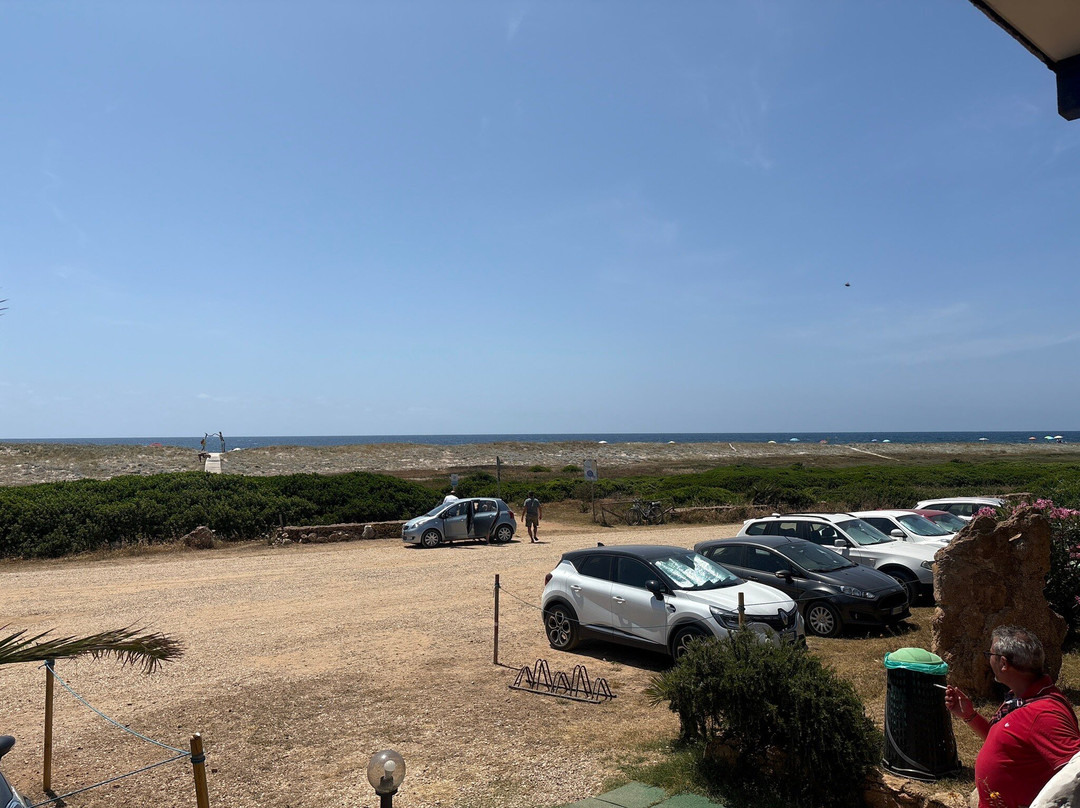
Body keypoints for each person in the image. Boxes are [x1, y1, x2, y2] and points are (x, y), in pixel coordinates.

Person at [945, 626, 1080, 808]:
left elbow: (1076, 768)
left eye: (989, 655)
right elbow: (1005, 743)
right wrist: (970, 716)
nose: (988, 661)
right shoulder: (1019, 698)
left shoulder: (1044, 713)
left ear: (1003, 663)